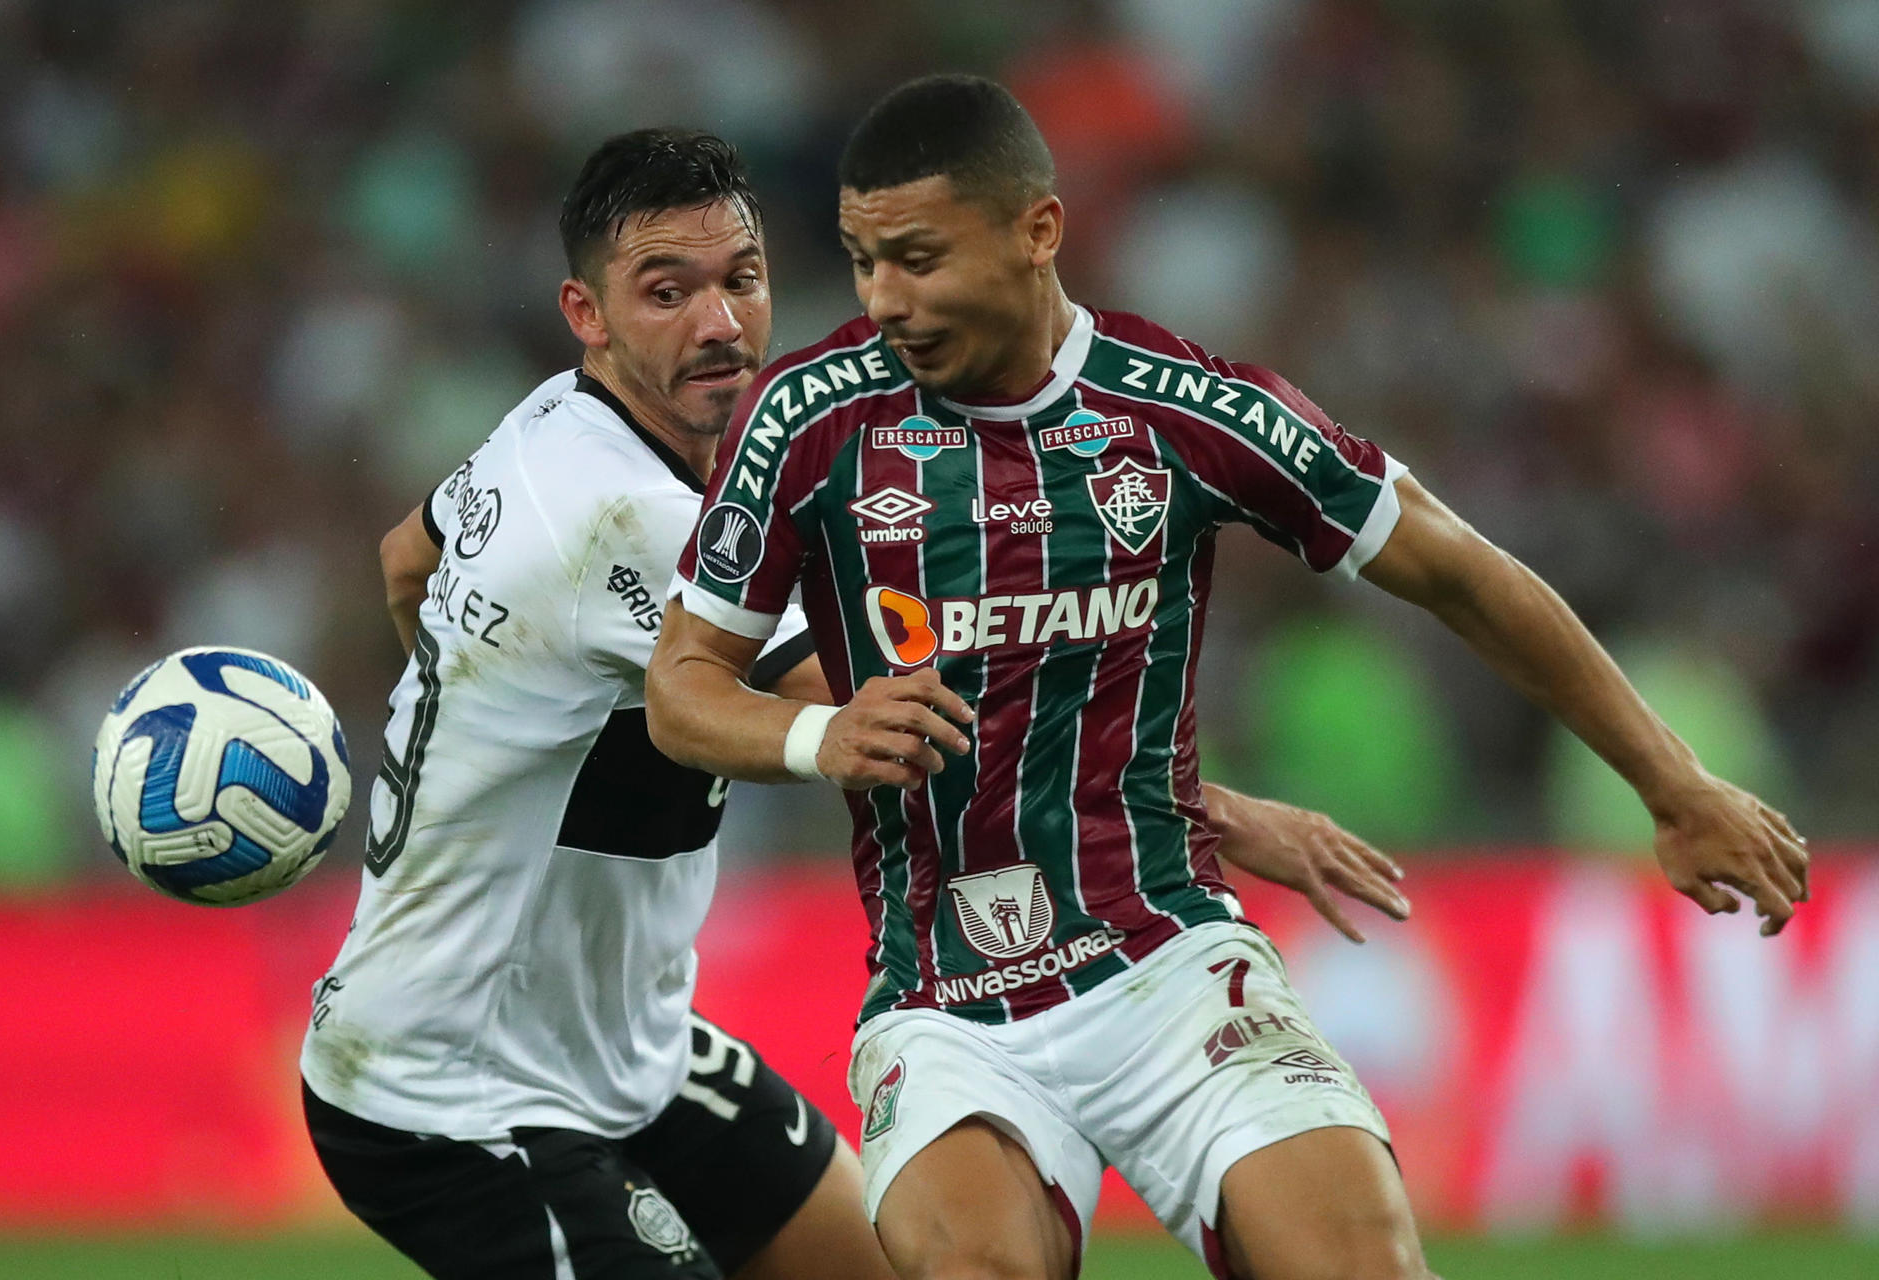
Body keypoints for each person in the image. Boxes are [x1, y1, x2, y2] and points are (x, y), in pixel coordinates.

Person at [644, 76, 1812, 1280]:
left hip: (1168, 959)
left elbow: (1459, 569)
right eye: (863, 260)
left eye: (920, 259)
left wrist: (1673, 783)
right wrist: (817, 735)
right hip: (944, 999)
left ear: (1038, 230)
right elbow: (682, 686)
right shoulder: (812, 415)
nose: (886, 298)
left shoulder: (1183, 408)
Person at [298, 125, 1399, 1280]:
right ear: (589, 311)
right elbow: (939, 739)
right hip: (449, 1085)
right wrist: (1219, 813)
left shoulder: (545, 425)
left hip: (630, 1049)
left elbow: (402, 563)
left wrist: (492, 717)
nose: (718, 323)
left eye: (740, 279)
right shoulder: (627, 519)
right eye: (665, 291)